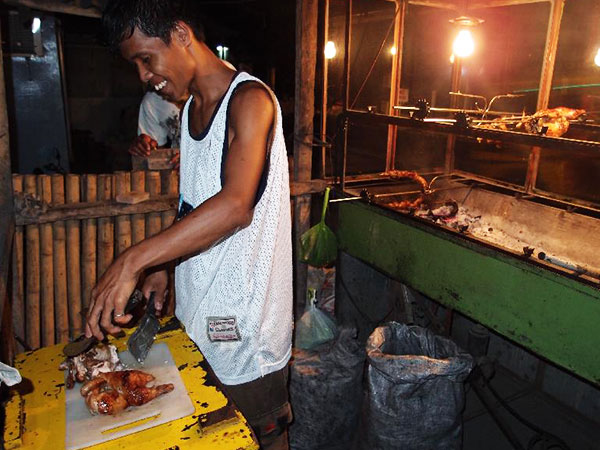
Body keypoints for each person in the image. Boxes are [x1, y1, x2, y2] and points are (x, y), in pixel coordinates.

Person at [88, 1, 293, 448]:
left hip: (246, 327)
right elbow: (193, 203)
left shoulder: (250, 100)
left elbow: (236, 204)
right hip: (199, 316)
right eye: (136, 65)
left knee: (259, 436)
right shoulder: (189, 112)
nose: (143, 75)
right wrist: (165, 266)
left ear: (181, 34)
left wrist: (134, 259)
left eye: (146, 58)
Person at [129, 89, 183, 158]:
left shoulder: (199, 93)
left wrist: (190, 160)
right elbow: (155, 157)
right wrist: (145, 149)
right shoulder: (154, 100)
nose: (143, 78)